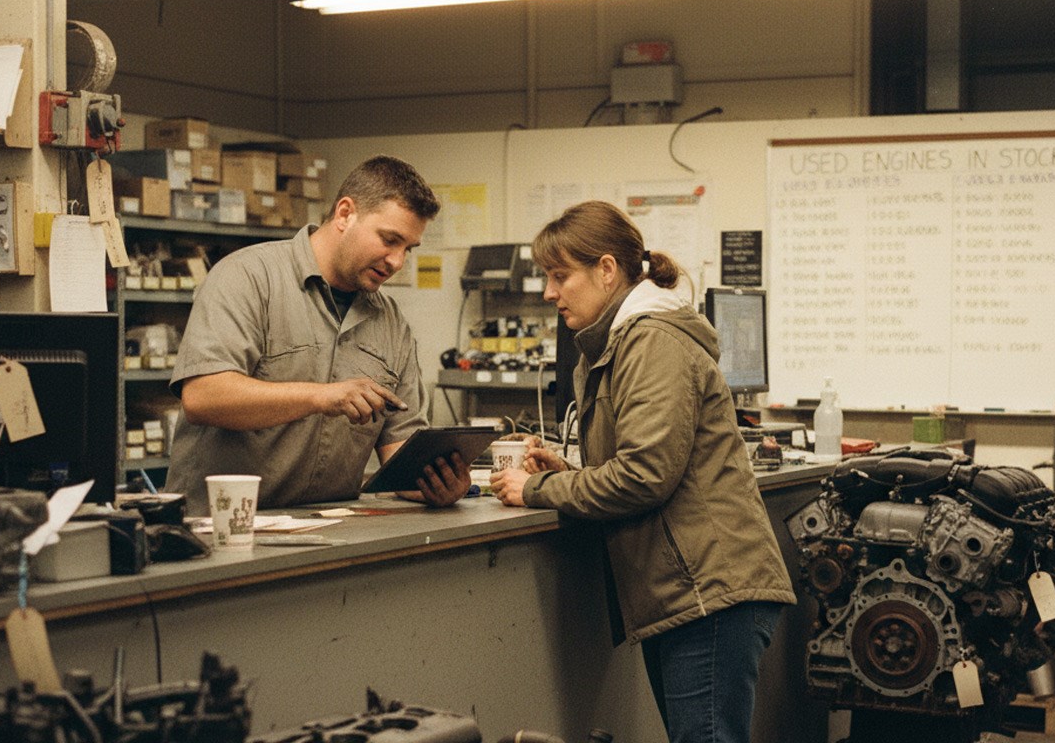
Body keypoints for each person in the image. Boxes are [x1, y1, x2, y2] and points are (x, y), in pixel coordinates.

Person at [490, 201, 796, 743]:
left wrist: (539, 488)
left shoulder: (651, 339)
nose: (549, 293)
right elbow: (643, 459)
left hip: (709, 592)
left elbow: (645, 475)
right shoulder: (620, 341)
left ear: (606, 270)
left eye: (560, 276)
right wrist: (565, 469)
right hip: (694, 592)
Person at [166, 155, 470, 515]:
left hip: (325, 538)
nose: (397, 262)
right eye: (389, 240)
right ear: (345, 214)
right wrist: (321, 397)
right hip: (222, 530)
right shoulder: (247, 278)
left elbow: (399, 450)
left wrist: (438, 483)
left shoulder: (390, 323)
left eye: (408, 248)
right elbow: (203, 397)